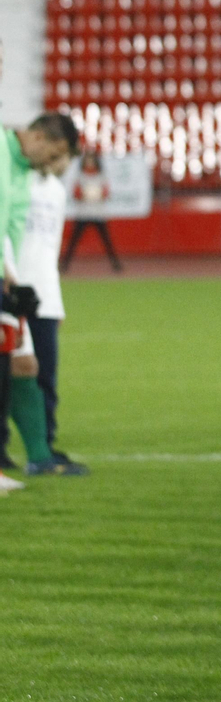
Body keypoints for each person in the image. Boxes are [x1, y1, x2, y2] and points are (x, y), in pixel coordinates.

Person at [0, 113, 80, 482]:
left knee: (23, 365)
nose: (51, 162)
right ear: (37, 136)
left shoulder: (22, 170)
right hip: (10, 278)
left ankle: (37, 455)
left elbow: (11, 227)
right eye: (52, 152)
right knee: (18, 365)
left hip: (11, 282)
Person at [14, 154, 86, 475]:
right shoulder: (16, 182)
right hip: (14, 290)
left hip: (45, 296)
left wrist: (55, 299)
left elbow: (49, 248)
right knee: (12, 373)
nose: (62, 166)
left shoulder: (57, 190)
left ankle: (43, 447)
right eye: (61, 157)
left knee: (45, 377)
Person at [61, 149, 120, 272]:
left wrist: (97, 194)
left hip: (98, 212)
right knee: (73, 241)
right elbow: (76, 193)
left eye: (92, 160)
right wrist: (84, 194)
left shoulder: (101, 175)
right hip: (83, 212)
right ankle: (64, 265)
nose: (90, 162)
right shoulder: (80, 175)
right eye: (87, 160)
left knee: (107, 241)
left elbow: (106, 192)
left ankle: (116, 264)